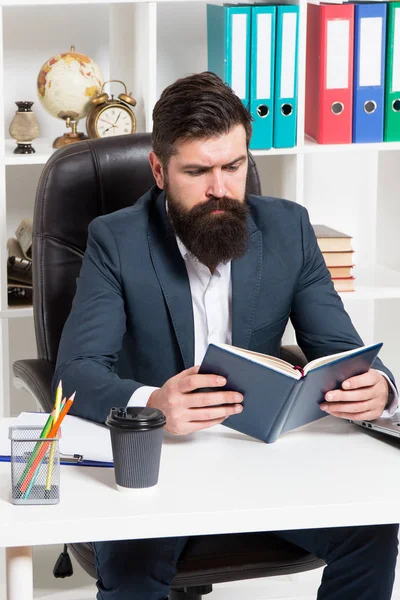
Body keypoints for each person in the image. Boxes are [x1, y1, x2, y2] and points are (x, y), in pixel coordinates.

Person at [53, 71, 398, 600]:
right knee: (132, 566)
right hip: (158, 463)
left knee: (373, 533)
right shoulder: (115, 240)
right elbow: (74, 372)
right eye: (198, 171)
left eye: (234, 166)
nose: (220, 189)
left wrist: (379, 389)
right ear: (159, 170)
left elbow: (345, 353)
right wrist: (153, 405)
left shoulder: (289, 229)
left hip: (258, 458)